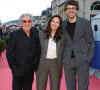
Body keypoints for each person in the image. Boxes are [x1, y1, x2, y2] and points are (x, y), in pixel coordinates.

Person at [62, 1, 95, 90]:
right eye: (68, 8)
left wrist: (88, 58)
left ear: (77, 10)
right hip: (68, 60)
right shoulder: (62, 25)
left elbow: (91, 42)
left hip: (82, 60)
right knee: (70, 87)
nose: (71, 10)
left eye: (73, 8)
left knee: (83, 87)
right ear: (65, 11)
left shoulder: (85, 23)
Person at [6, 13, 41, 90]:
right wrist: (14, 69)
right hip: (18, 71)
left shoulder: (35, 32)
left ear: (32, 22)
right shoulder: (14, 35)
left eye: (29, 21)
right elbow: (8, 54)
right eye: (24, 21)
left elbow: (38, 49)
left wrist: (36, 65)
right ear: (21, 23)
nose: (27, 23)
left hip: (30, 71)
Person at [36, 15, 64, 90]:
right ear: (50, 22)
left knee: (55, 87)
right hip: (42, 63)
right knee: (40, 86)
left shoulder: (62, 37)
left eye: (57, 22)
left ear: (60, 25)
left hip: (56, 64)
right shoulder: (41, 35)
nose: (54, 24)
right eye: (53, 21)